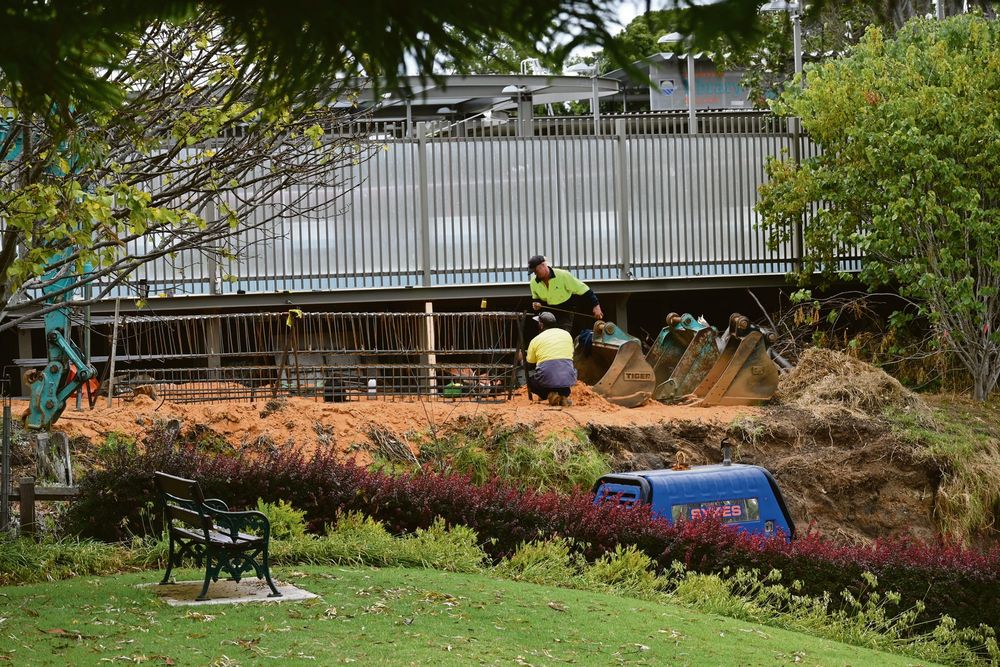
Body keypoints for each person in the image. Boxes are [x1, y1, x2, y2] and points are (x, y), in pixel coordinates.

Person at [527, 254, 603, 332]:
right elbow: (535, 299)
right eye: (534, 272)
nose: (535, 274)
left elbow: (583, 289)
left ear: (543, 265)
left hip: (566, 310)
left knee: (563, 335)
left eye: (536, 271)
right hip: (547, 312)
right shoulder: (533, 283)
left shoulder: (563, 275)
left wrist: (596, 305)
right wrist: (536, 305)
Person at [525, 311, 577, 406]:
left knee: (531, 380)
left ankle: (549, 394)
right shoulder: (567, 335)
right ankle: (563, 396)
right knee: (562, 376)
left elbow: (530, 362)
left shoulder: (536, 339)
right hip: (567, 379)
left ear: (541, 325)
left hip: (546, 379)